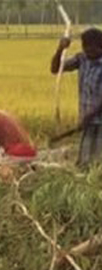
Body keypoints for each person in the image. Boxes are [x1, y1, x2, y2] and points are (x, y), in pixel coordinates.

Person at [51, 27, 102, 166]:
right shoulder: (82, 59)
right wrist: (60, 49)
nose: (87, 50)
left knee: (97, 161)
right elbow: (55, 69)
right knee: (84, 161)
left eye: (92, 48)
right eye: (85, 46)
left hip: (97, 119)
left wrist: (89, 115)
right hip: (87, 119)